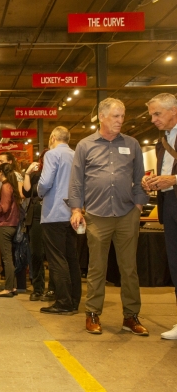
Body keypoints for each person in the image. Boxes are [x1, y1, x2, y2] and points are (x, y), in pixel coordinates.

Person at [69, 97, 149, 336]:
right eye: (115, 116)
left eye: (122, 116)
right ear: (102, 117)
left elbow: (139, 176)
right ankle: (93, 313)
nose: (120, 121)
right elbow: (76, 181)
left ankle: (130, 316)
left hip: (127, 213)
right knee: (96, 267)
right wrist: (76, 209)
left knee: (129, 268)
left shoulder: (132, 144)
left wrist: (138, 205)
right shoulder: (85, 145)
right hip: (97, 214)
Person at [142, 93, 177, 339]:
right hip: (169, 206)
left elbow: (172, 177)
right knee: (175, 266)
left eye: (157, 113)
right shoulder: (162, 140)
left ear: (174, 110)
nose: (153, 119)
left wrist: (172, 180)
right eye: (152, 114)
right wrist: (153, 181)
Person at [37, 127, 80, 315]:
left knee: (56, 259)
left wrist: (39, 192)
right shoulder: (76, 154)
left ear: (53, 137)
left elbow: (45, 182)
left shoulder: (52, 154)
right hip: (73, 212)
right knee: (71, 258)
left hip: (54, 212)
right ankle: (74, 301)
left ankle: (63, 302)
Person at [0, 163, 21, 297]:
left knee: (7, 258)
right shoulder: (11, 185)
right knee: (9, 257)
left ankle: (8, 288)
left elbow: (3, 208)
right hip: (11, 224)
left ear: (0, 172)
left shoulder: (6, 186)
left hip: (5, 225)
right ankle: (12, 286)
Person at [22, 149, 48, 301]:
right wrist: (27, 173)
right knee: (36, 253)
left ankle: (54, 289)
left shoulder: (58, 172)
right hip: (36, 214)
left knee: (53, 254)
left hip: (53, 214)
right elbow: (26, 193)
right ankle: (38, 288)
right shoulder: (36, 174)